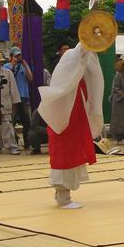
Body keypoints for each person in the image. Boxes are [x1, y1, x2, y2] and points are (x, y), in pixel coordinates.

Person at [38, 43, 104, 209]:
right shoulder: (68, 67)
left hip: (75, 118)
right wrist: (86, 43)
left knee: (73, 153)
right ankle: (63, 197)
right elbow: (80, 53)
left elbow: (92, 77)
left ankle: (63, 194)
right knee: (65, 154)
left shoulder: (76, 81)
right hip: (65, 121)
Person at [0, 51, 21, 155]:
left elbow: (13, 88)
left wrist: (15, 101)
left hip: (5, 102)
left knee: (7, 126)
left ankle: (12, 146)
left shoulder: (8, 73)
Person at [3, 46, 32, 149]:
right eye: (16, 56)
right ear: (11, 57)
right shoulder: (6, 66)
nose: (18, 57)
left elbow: (30, 78)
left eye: (19, 55)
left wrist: (27, 67)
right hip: (13, 98)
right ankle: (13, 144)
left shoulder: (24, 65)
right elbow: (6, 78)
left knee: (27, 121)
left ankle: (27, 144)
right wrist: (12, 65)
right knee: (12, 121)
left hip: (24, 96)